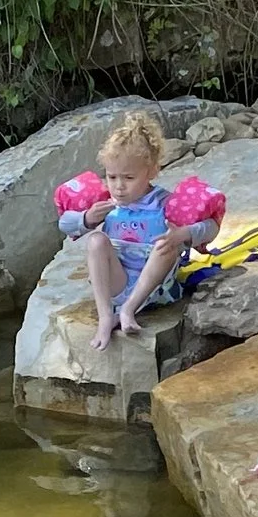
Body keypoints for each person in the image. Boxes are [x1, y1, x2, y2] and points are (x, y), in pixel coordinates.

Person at [54, 112, 224, 351]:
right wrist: (86, 218)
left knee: (166, 245)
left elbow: (212, 227)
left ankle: (128, 310)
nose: (119, 186)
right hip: (117, 282)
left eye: (129, 177)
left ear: (152, 171)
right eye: (112, 177)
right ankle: (106, 316)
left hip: (155, 288)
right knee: (95, 241)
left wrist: (182, 234)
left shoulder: (165, 203)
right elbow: (64, 224)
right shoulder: (106, 204)